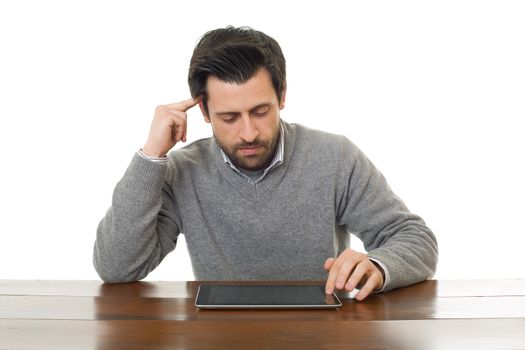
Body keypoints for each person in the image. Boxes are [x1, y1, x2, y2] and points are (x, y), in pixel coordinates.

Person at [93, 26, 438, 301]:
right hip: (220, 337)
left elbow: (415, 239)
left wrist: (378, 264)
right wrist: (151, 156)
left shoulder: (334, 157)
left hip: (321, 336)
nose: (248, 132)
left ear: (282, 96)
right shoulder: (182, 171)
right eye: (228, 117)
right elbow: (117, 266)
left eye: (260, 111)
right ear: (204, 113)